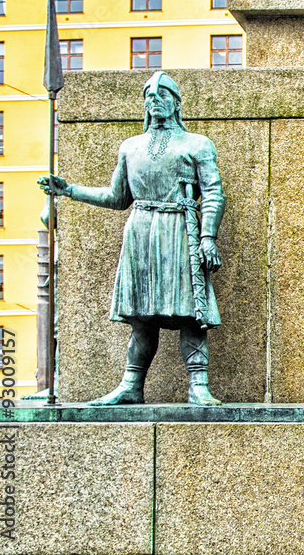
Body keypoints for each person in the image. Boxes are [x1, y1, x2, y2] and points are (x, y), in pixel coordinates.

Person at [38, 71, 224, 406]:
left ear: (177, 102)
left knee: (189, 312)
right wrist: (69, 191)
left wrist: (207, 236)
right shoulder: (131, 147)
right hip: (140, 231)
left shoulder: (197, 145)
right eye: (150, 96)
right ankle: (131, 384)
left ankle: (198, 385)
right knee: (141, 315)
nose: (156, 100)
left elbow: (212, 193)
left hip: (179, 230)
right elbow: (116, 197)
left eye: (164, 94)